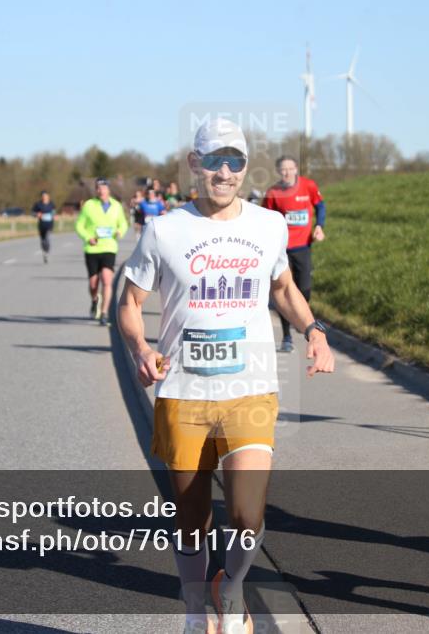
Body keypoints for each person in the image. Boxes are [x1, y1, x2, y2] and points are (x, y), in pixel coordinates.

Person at [118, 117, 334, 634]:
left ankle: (230, 589)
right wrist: (141, 348)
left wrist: (314, 330)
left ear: (245, 166)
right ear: (195, 164)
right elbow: (129, 302)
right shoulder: (164, 230)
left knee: (247, 517)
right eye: (214, 160)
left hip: (250, 391)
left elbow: (283, 289)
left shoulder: (268, 226)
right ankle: (196, 610)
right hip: (183, 393)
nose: (224, 171)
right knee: (192, 520)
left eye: (234, 161)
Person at [263, 155, 326, 353]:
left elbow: (320, 206)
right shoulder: (273, 192)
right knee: (283, 290)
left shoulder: (308, 186)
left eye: (290, 168)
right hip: (281, 249)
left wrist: (319, 226)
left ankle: (300, 315)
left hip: (303, 246)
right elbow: (265, 218)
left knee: (304, 289)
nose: (287, 173)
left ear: (296, 169)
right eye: (283, 169)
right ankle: (287, 337)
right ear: (278, 171)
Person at [75, 178, 128, 326]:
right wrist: (88, 237)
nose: (101, 190)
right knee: (93, 284)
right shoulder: (89, 205)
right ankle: (94, 300)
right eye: (98, 188)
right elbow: (79, 225)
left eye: (103, 188)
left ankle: (104, 313)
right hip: (92, 248)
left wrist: (120, 231)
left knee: (106, 279)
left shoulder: (116, 206)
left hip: (109, 247)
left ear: (108, 189)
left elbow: (123, 223)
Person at [32, 191, 56, 263]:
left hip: (49, 224)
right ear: (41, 197)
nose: (44, 197)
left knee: (47, 238)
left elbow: (54, 211)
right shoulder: (38, 204)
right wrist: (37, 214)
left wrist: (53, 214)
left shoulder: (51, 204)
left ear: (48, 197)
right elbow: (33, 213)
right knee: (42, 241)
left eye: (46, 196)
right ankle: (44, 252)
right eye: (43, 196)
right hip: (41, 225)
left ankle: (47, 252)